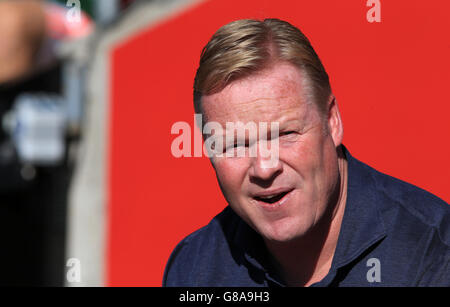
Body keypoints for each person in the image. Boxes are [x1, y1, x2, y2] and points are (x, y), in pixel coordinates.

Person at [163, 18, 449, 287]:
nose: (264, 168)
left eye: (285, 134)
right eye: (234, 145)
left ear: (332, 121)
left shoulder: (430, 249)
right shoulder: (194, 270)